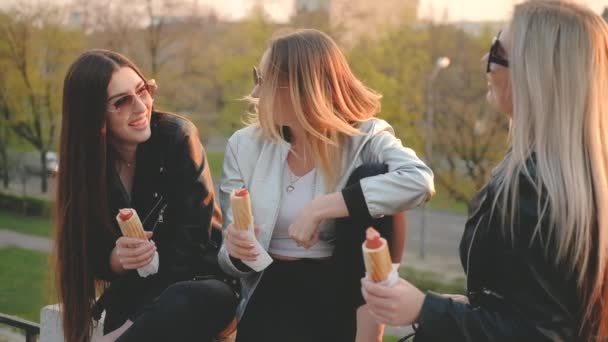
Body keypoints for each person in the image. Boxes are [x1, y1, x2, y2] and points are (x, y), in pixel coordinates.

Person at [362, 1, 608, 341]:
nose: (484, 63)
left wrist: (424, 309)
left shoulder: (537, 187)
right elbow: (529, 308)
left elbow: (542, 333)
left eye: (497, 50)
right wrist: (451, 305)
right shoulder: (563, 177)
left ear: (535, 72)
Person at [217, 29, 434, 342]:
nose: (254, 91)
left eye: (262, 78)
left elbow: (419, 180)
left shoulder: (365, 137)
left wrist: (323, 207)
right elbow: (228, 257)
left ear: (300, 88)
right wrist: (238, 251)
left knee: (373, 173)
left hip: (338, 284)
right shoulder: (244, 146)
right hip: (268, 283)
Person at [54, 49, 238, 342]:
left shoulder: (177, 138)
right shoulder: (85, 168)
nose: (141, 106)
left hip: (201, 284)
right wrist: (116, 259)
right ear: (94, 115)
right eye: (121, 101)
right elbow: (83, 253)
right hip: (136, 293)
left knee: (176, 303)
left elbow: (190, 247)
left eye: (143, 90)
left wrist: (127, 328)